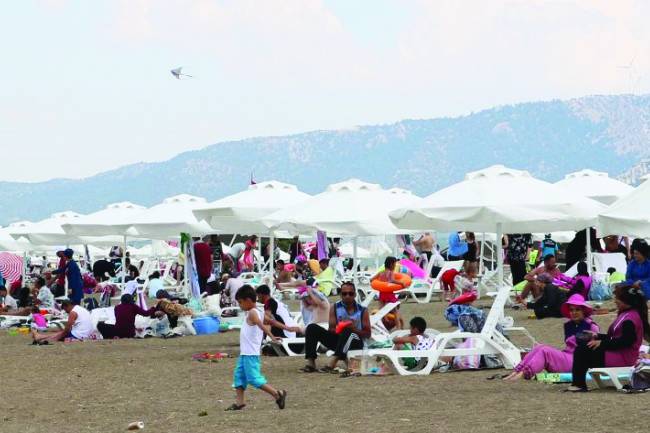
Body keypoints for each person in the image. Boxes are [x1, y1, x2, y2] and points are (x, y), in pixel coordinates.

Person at [568, 284, 650, 392]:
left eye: (617, 299)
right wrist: (596, 335)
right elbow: (616, 337)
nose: (615, 301)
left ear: (626, 301)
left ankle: (578, 384)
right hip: (619, 353)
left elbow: (626, 341)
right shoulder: (627, 314)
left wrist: (602, 343)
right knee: (584, 347)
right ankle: (578, 384)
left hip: (623, 357)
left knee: (583, 350)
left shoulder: (630, 318)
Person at [504, 294, 599, 381]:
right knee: (539, 347)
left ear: (584, 311)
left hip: (579, 361)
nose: (574, 312)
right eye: (571, 310)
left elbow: (594, 349)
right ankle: (516, 372)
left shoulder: (591, 326)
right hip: (568, 357)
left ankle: (522, 374)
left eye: (577, 309)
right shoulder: (569, 325)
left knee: (545, 351)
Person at [226, 285, 287, 411]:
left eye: (241, 302)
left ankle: (277, 394)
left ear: (248, 300)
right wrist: (287, 328)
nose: (240, 306)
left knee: (253, 378)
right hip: (245, 353)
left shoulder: (253, 313)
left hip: (250, 354)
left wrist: (272, 337)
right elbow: (270, 322)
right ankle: (239, 403)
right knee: (239, 377)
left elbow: (262, 326)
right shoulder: (258, 312)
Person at [301, 282, 370, 373]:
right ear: (341, 295)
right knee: (311, 328)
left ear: (355, 295)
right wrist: (340, 327)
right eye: (344, 294)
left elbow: (367, 334)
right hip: (339, 339)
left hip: (356, 342)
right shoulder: (335, 307)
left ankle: (333, 362)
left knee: (348, 330)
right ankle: (311, 363)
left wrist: (353, 328)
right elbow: (331, 329)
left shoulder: (363, 310)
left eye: (351, 293)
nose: (347, 296)